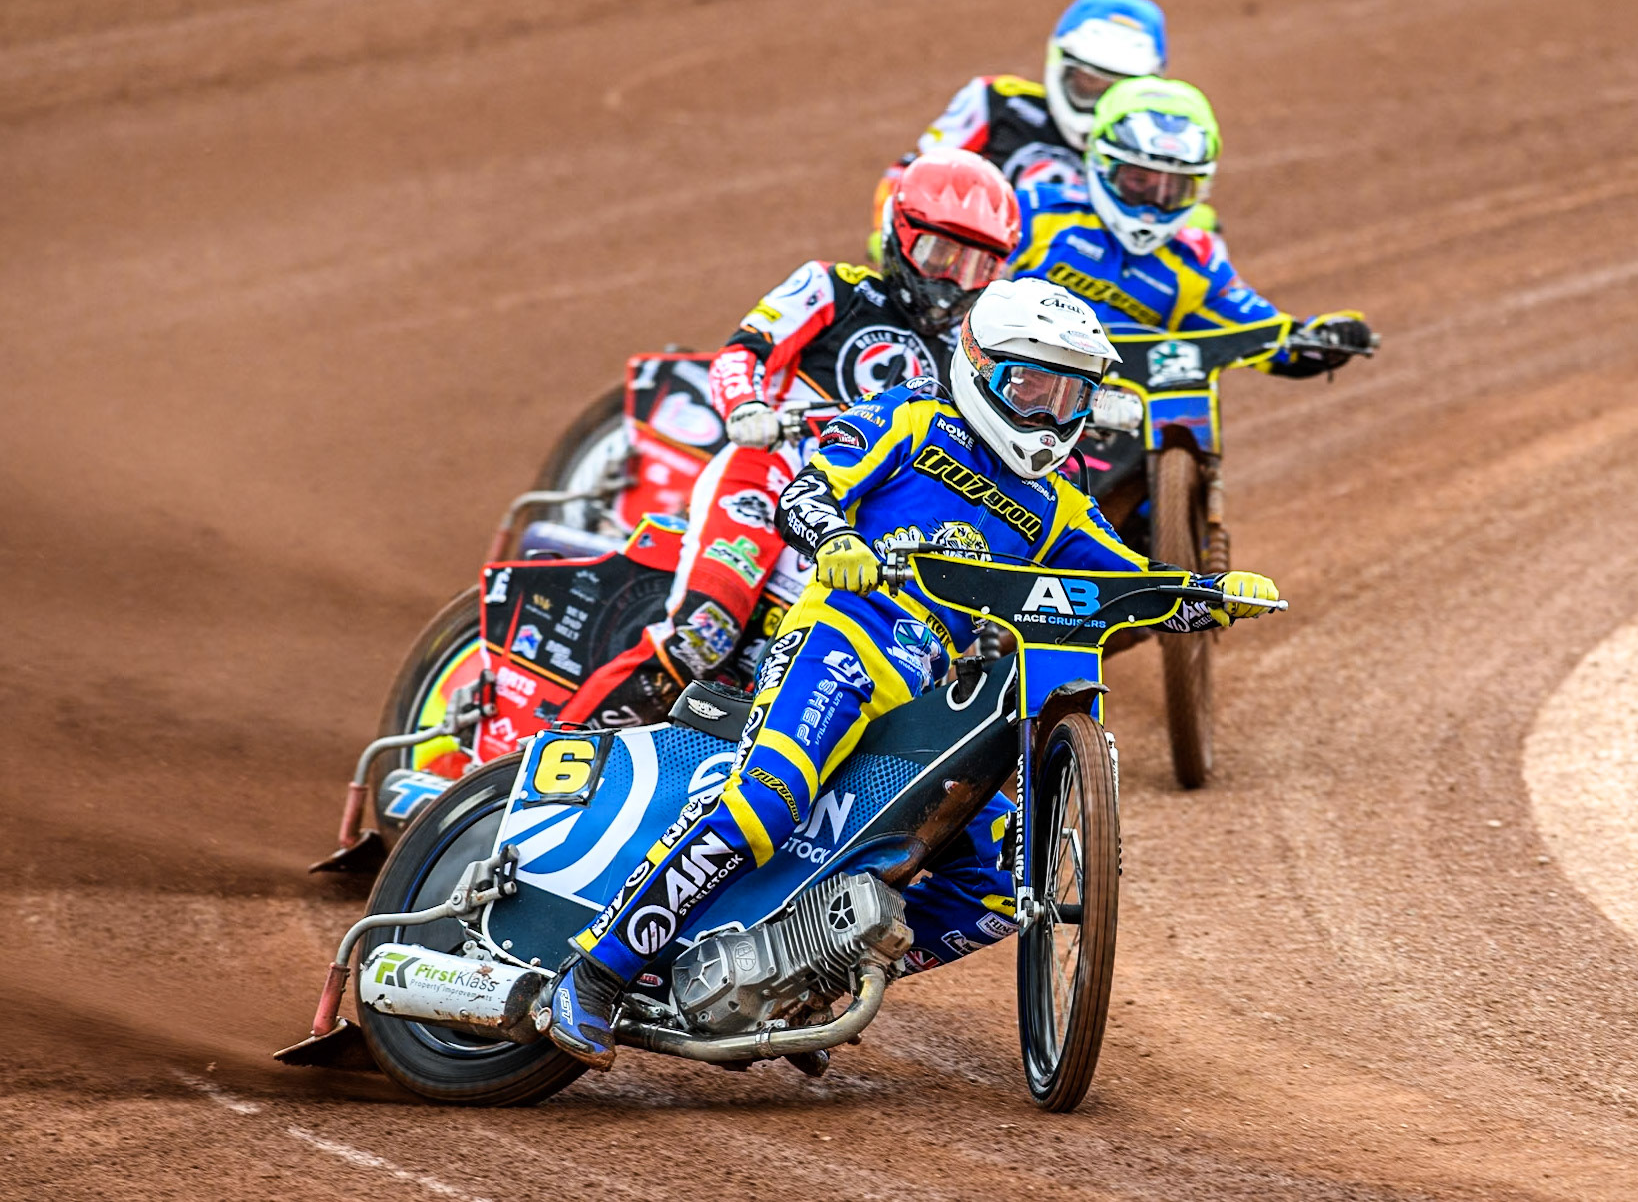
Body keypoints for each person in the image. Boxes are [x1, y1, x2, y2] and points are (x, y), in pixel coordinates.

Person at [540, 278, 1281, 1068]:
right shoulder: (909, 419)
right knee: (765, 801)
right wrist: (835, 539)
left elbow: (1133, 582)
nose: (1047, 414)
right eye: (1030, 385)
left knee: (1000, 881)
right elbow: (808, 487)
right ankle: (594, 975)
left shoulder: (1060, 505)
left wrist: (1209, 595)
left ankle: (806, 975)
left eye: (1071, 396)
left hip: (926, 703)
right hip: (837, 645)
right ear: (978, 366)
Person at [559, 148, 1022, 729]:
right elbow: (743, 351)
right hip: (766, 477)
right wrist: (747, 407)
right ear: (898, 233)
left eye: (977, 267)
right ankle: (547, 752)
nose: (952, 281)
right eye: (939, 254)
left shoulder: (967, 358)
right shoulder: (833, 287)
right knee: (703, 634)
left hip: (857, 524)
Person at [1005, 75, 1374, 386]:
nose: (1153, 204)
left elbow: (1269, 339)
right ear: (1104, 165)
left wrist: (1324, 337)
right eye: (1139, 182)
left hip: (1116, 420)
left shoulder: (1195, 264)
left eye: (1173, 189)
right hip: (1006, 386)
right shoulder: (1037, 211)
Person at [867, 0, 1223, 261]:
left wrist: (1189, 228)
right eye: (1089, 83)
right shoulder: (999, 102)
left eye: (1118, 88)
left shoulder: (1159, 149)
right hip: (976, 266)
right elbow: (913, 171)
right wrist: (891, 230)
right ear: (1060, 63)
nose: (1101, 102)